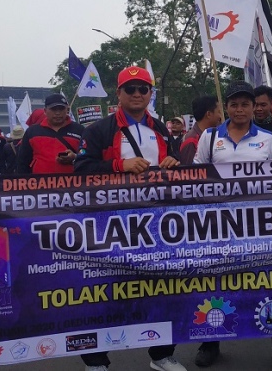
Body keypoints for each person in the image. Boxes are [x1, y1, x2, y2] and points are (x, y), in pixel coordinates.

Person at [74, 66, 184, 371]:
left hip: (157, 223)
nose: (137, 94)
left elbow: (177, 167)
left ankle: (162, 355)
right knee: (104, 291)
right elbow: (81, 169)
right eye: (130, 89)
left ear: (150, 94)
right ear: (118, 93)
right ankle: (96, 361)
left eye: (143, 89)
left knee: (164, 287)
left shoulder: (162, 128)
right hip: (110, 223)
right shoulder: (98, 130)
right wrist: (119, 164)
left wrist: (174, 163)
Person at [193, 81, 272, 371]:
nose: (240, 109)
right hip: (218, 227)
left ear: (255, 107)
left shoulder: (267, 139)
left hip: (261, 228)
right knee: (215, 284)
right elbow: (196, 176)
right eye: (234, 104)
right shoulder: (210, 137)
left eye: (246, 104)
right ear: (226, 107)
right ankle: (209, 343)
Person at [17, 94, 83, 174]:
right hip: (40, 183)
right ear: (45, 111)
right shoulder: (32, 132)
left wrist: (75, 157)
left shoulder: (79, 130)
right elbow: (23, 161)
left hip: (72, 183)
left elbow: (87, 154)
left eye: (61, 109)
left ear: (67, 110)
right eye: (53, 109)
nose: (58, 113)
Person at [178, 96, 222, 165]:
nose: (220, 116)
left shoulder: (212, 137)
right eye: (219, 112)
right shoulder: (192, 141)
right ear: (209, 114)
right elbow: (189, 172)